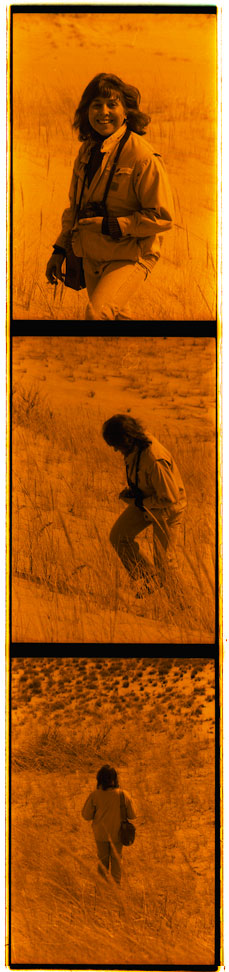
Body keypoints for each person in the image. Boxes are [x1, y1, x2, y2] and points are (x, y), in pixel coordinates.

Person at [46, 73, 174, 320]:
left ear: (126, 111)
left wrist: (110, 225)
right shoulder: (86, 152)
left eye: (111, 104)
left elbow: (162, 217)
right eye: (96, 105)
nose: (103, 112)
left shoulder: (142, 156)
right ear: (86, 112)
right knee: (116, 319)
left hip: (131, 254)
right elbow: (75, 209)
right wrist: (59, 250)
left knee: (98, 314)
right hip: (92, 254)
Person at [102, 414, 187, 590]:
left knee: (165, 561)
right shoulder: (134, 447)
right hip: (147, 501)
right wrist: (133, 492)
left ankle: (183, 607)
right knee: (119, 537)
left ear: (127, 439)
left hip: (168, 509)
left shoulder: (154, 459)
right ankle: (149, 578)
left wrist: (141, 502)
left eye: (116, 445)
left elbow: (170, 498)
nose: (115, 450)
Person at [81, 765, 136, 884]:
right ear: (115, 779)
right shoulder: (123, 794)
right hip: (118, 834)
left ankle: (102, 890)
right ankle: (116, 889)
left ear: (99, 779)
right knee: (116, 861)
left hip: (100, 834)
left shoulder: (94, 795)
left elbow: (86, 816)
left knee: (102, 862)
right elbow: (132, 815)